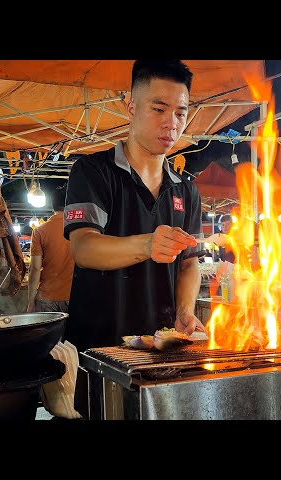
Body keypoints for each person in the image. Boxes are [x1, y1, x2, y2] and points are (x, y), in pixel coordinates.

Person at [63, 59, 206, 353]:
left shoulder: (186, 190)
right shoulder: (93, 171)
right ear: (131, 107)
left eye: (181, 113)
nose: (172, 123)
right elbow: (83, 248)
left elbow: (190, 263)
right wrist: (148, 244)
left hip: (160, 345)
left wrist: (184, 311)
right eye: (158, 109)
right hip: (98, 347)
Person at [26, 186, 74, 314]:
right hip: (75, 296)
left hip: (46, 298)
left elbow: (35, 268)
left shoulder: (40, 231)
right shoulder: (78, 229)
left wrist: (31, 300)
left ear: (52, 206)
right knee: (74, 334)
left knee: (46, 334)